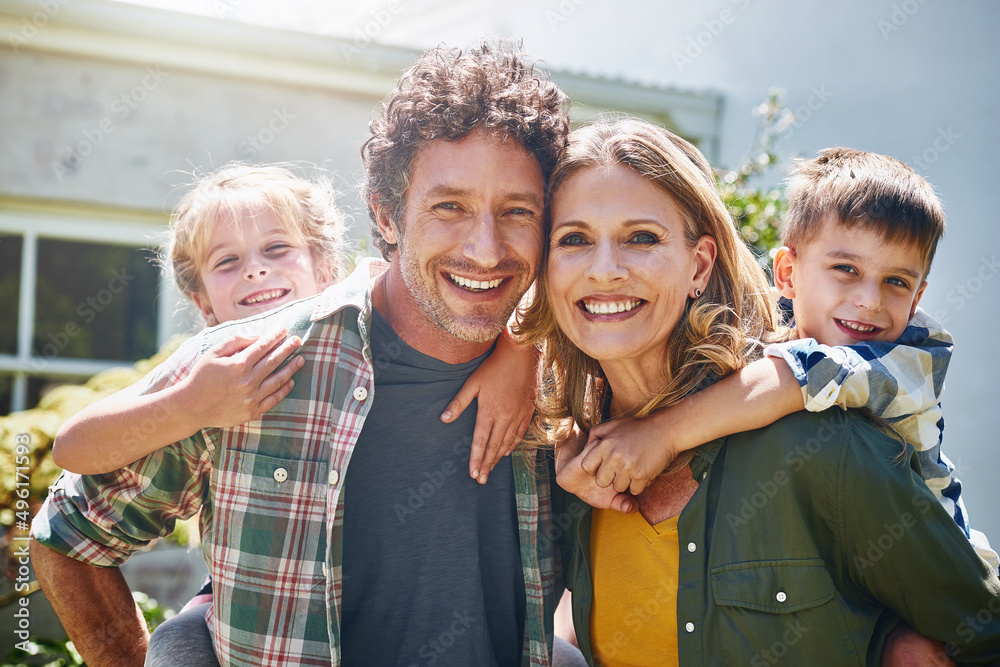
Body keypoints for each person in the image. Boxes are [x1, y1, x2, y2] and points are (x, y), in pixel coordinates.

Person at [30, 40, 571, 667]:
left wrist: (529, 346)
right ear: (387, 215)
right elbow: (67, 534)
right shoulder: (245, 369)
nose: (485, 249)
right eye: (449, 207)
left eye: (518, 212)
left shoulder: (571, 377)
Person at [519, 117, 1000, 665]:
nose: (605, 269)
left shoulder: (821, 444)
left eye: (642, 238)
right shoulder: (561, 463)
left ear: (699, 265)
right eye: (574, 239)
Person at [571, 148, 999, 569]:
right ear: (787, 274)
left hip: (946, 567)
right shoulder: (776, 328)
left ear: (918, 296)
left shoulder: (913, 352)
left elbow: (798, 378)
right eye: (846, 269)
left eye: (896, 282)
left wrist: (660, 436)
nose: (870, 300)